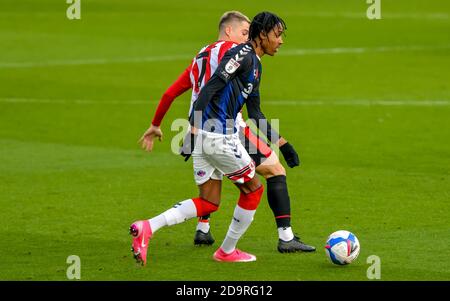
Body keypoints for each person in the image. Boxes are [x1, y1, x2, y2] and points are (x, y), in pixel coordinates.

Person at [141, 11, 315, 253]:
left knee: (209, 201)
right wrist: (192, 130)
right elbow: (213, 87)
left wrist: (283, 143)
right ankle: (235, 249)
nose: (281, 41)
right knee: (261, 182)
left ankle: (176, 227)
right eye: (245, 33)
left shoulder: (204, 57)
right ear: (230, 31)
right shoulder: (237, 52)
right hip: (222, 129)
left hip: (207, 128)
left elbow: (254, 110)